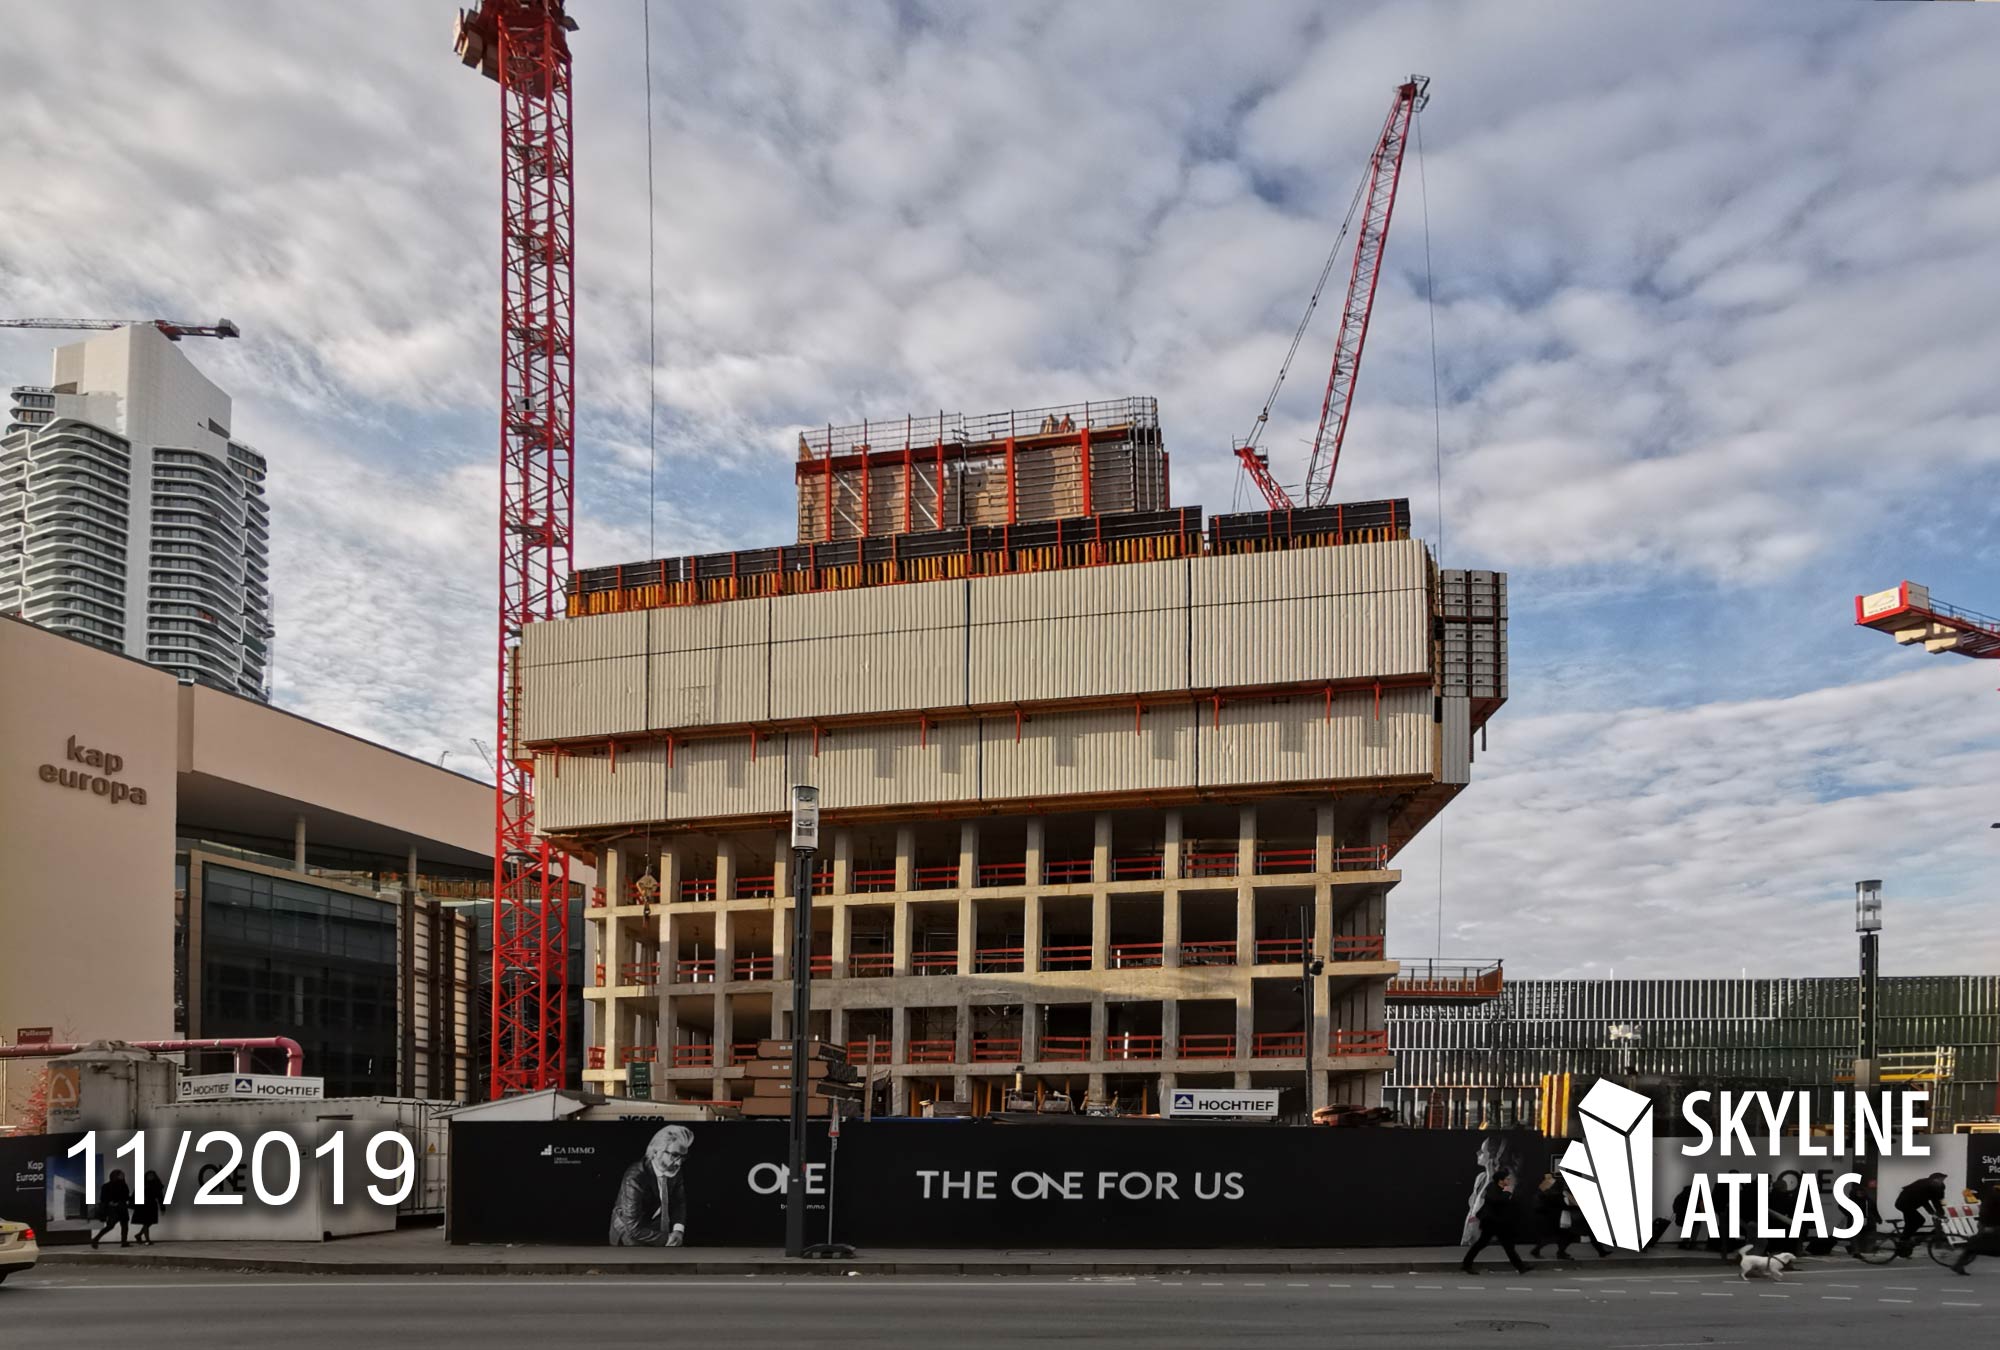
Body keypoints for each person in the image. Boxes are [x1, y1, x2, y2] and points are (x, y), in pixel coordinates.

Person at [609, 1124, 693, 1247]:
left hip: (652, 1226)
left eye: (683, 1157)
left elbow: (679, 1203)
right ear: (656, 1151)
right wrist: (666, 1239)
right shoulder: (635, 1176)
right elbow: (633, 1228)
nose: (679, 1163)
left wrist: (678, 1231)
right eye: (674, 1155)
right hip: (628, 1231)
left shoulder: (674, 1170)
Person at [1462, 1169, 1532, 1274]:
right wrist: (1508, 1192)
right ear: (1500, 1180)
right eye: (1507, 1179)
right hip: (1491, 1223)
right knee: (1482, 1244)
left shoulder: (1500, 1188)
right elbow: (1498, 1201)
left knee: (1508, 1246)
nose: (1509, 1181)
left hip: (1499, 1223)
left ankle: (1521, 1267)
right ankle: (1466, 1264)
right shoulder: (1492, 1188)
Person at [1949, 1178, 2000, 1276]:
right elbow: (1988, 1212)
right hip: (1989, 1224)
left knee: (1975, 1246)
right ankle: (1958, 1265)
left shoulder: (1993, 1194)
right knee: (1977, 1246)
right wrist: (1988, 1225)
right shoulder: (1996, 1196)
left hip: (1988, 1224)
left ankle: (1958, 1265)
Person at [1893, 1171, 1949, 1259]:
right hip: (1904, 1203)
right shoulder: (1923, 1185)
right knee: (1919, 1220)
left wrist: (1941, 1213)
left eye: (1942, 1180)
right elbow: (1925, 1201)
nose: (1941, 1182)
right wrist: (1933, 1213)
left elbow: (1937, 1200)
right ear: (1932, 1180)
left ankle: (1904, 1247)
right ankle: (1904, 1240)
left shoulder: (1940, 1187)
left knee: (1913, 1222)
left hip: (1913, 1204)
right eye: (1939, 1180)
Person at [91, 1168, 132, 1249]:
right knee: (110, 1226)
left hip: (122, 1207)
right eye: (121, 1174)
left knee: (124, 1225)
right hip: (113, 1209)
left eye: (123, 1175)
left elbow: (126, 1197)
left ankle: (124, 1242)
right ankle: (96, 1239)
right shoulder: (106, 1186)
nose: (123, 1176)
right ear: (115, 1175)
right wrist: (111, 1202)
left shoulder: (124, 1185)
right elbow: (103, 1198)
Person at [132, 1170, 163, 1246]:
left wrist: (162, 1207)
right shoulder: (142, 1184)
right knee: (146, 1222)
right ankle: (147, 1240)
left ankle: (139, 1235)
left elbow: (160, 1197)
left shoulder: (157, 1185)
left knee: (149, 1222)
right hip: (143, 1206)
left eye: (152, 1175)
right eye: (149, 1175)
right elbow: (134, 1194)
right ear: (146, 1176)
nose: (150, 1177)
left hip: (152, 1205)